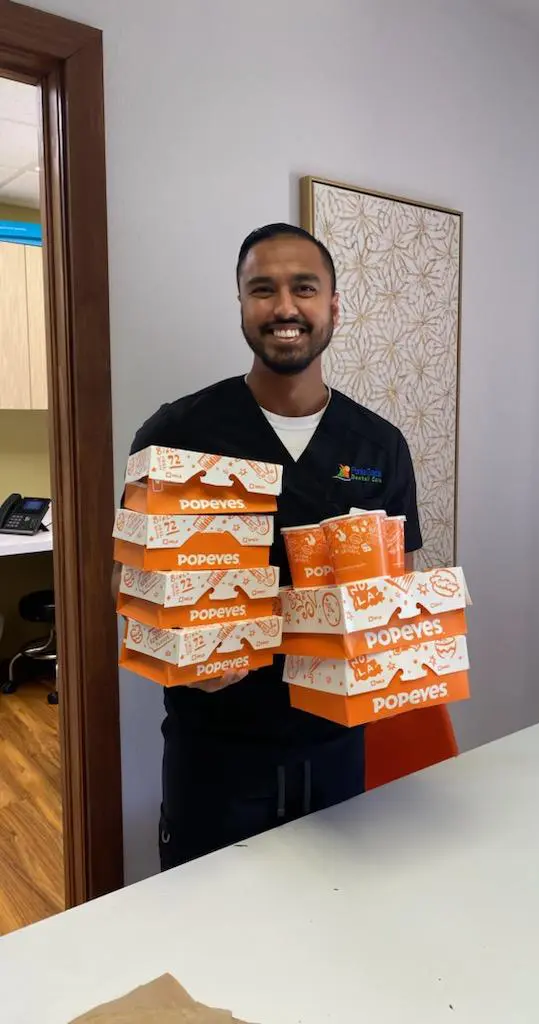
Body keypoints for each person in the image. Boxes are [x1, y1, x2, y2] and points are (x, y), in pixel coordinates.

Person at [120, 223, 422, 870]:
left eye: (303, 288)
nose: (285, 307)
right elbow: (132, 593)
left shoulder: (378, 446)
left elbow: (396, 592)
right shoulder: (178, 434)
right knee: (212, 951)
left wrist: (394, 635)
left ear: (333, 306)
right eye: (264, 289)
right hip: (218, 761)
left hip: (336, 753)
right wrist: (174, 645)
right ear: (241, 306)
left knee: (332, 936)